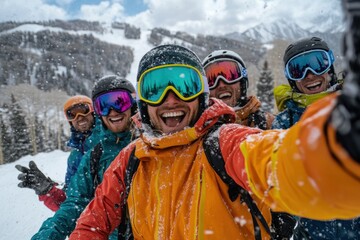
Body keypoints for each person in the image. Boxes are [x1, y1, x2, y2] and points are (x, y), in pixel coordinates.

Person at [68, 43, 360, 240]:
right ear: (143, 101)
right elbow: (92, 223)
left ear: (200, 95)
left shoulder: (223, 142)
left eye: (185, 85)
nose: (171, 98)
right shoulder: (130, 159)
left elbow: (284, 162)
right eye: (155, 88)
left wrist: (339, 154)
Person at [272, 37, 360, 239]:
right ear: (291, 79)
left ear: (329, 68)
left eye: (317, 64)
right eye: (298, 69)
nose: (309, 74)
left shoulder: (351, 108)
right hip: (312, 231)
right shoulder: (285, 122)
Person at [31, 75, 137, 240]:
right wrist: (49, 192)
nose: (113, 111)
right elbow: (75, 201)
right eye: (104, 106)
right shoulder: (92, 156)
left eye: (120, 101)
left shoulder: (148, 143)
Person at [15, 95, 99, 211]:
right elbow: (70, 203)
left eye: (83, 110)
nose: (79, 117)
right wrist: (48, 190)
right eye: (72, 114)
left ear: (93, 112)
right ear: (70, 121)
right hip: (94, 222)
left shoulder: (110, 139)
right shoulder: (74, 158)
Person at [202, 50, 274, 129]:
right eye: (211, 80)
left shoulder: (270, 124)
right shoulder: (198, 131)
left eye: (230, 76)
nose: (221, 85)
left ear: (242, 83)